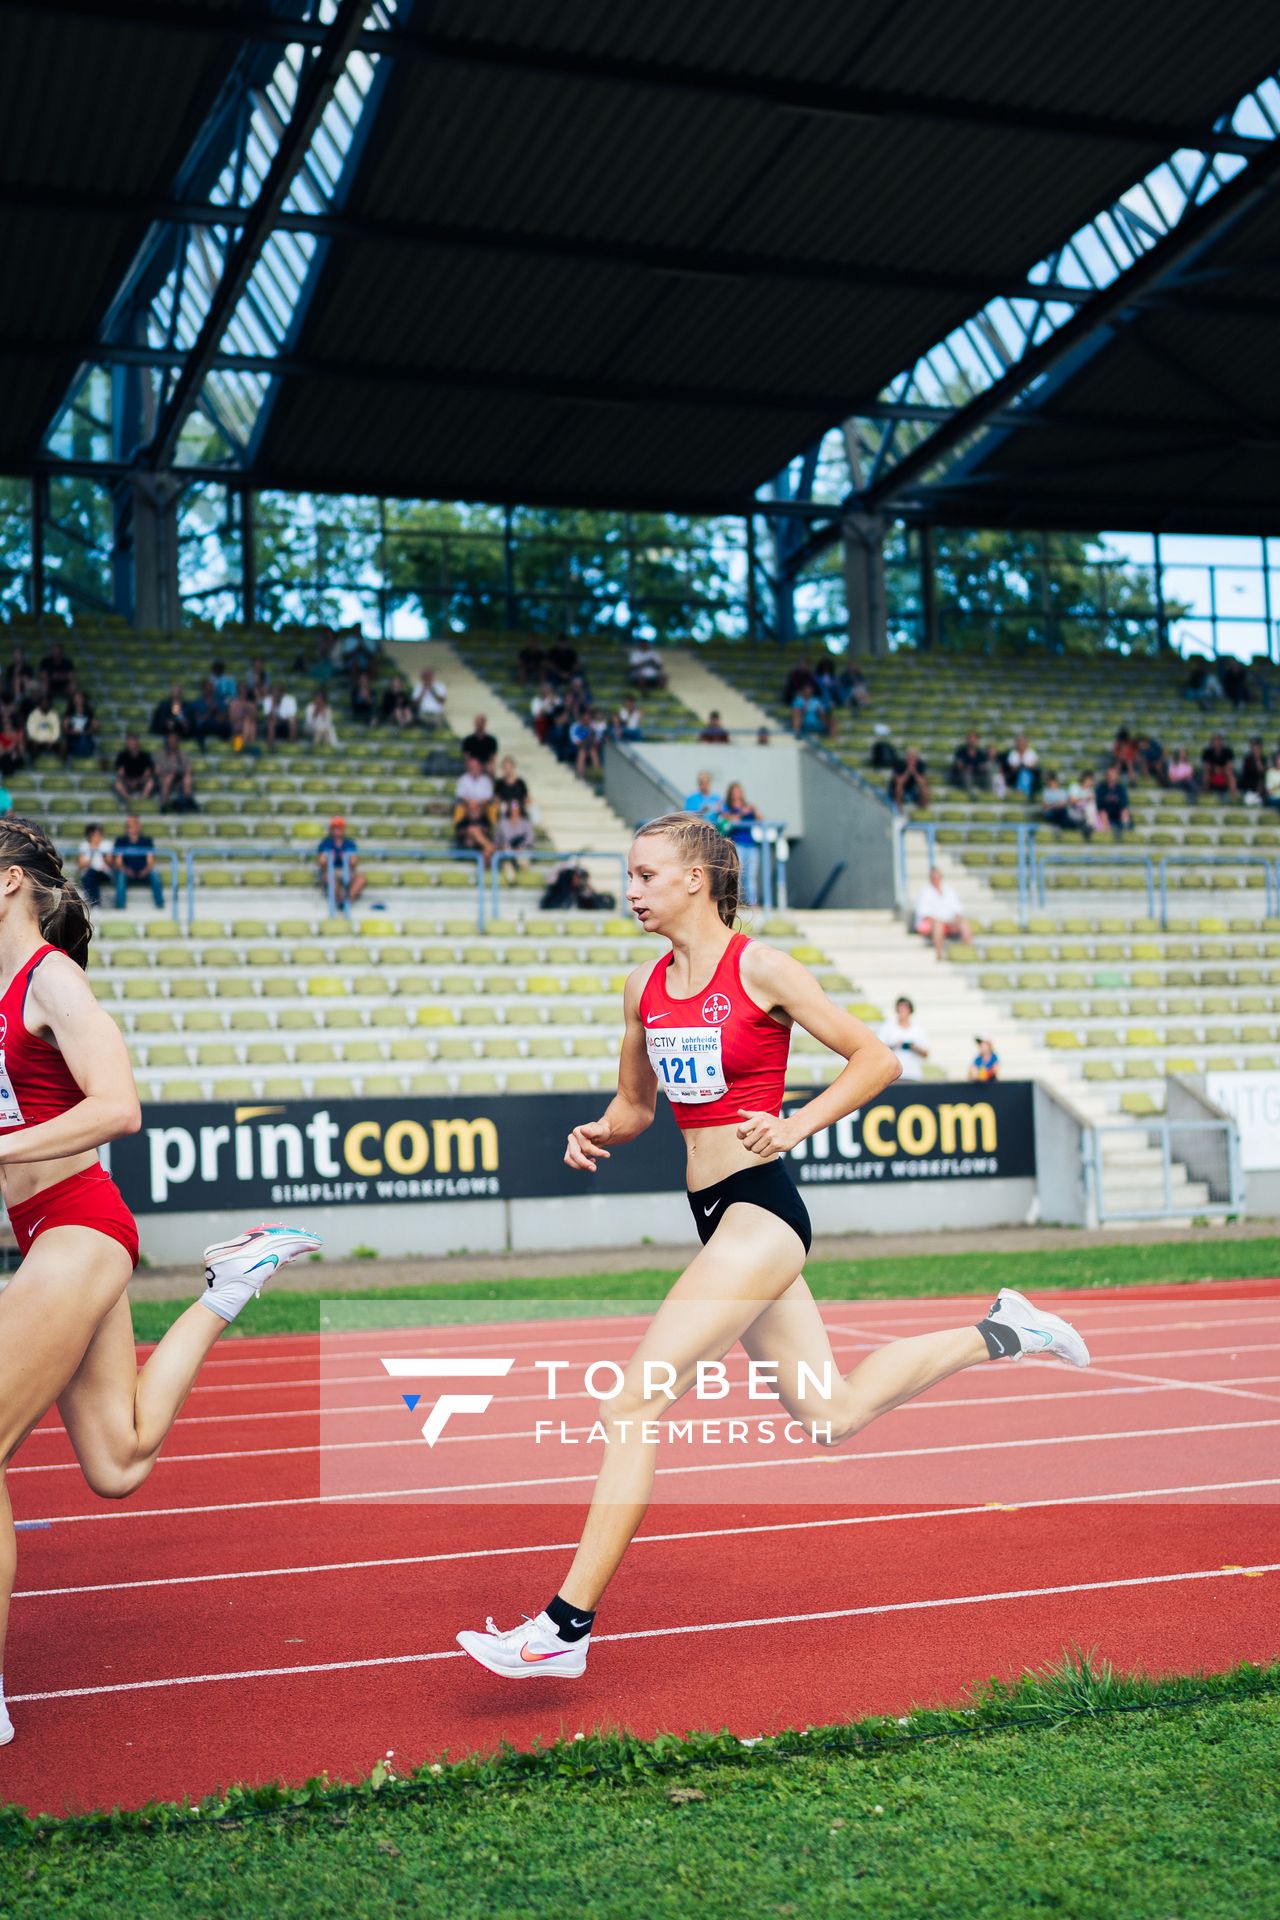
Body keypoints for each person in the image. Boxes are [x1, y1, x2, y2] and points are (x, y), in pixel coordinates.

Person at [455, 814, 1090, 1680]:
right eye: (628, 876)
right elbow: (637, 1108)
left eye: (645, 875)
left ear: (697, 878)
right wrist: (597, 1131)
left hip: (763, 1214)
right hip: (715, 1212)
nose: (630, 890)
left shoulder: (761, 966)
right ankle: (1003, 1331)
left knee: (630, 1408)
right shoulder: (645, 988)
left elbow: (876, 1059)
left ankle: (562, 1630)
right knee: (831, 1417)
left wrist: (795, 1124)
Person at [0, 814, 322, 1748]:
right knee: (118, 1460)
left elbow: (119, 1107)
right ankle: (232, 1282)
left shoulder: (49, 978)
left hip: (81, 1229)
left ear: (11, 881)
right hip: (44, 1234)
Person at [913, 866, 971, 960]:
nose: (936, 880)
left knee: (964, 925)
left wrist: (956, 920)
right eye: (934, 878)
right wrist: (941, 921)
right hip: (931, 924)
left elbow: (957, 910)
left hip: (948, 922)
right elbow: (925, 915)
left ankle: (969, 953)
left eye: (938, 877)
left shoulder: (949, 890)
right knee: (938, 925)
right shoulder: (924, 892)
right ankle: (939, 955)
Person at [112, 815, 164, 910]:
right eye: (129, 825)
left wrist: (145, 871)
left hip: (144, 872)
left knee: (155, 874)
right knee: (121, 875)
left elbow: (150, 862)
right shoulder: (120, 841)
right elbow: (118, 863)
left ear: (139, 826)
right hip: (127, 872)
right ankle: (120, 906)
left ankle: (160, 905)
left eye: (134, 824)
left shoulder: (147, 841)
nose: (132, 827)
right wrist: (127, 870)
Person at [315, 816, 365, 906]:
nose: (337, 831)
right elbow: (322, 862)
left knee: (361, 879)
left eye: (339, 828)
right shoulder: (326, 843)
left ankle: (347, 901)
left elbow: (354, 862)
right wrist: (329, 859)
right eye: (335, 828)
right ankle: (340, 900)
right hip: (331, 870)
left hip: (346, 869)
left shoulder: (349, 843)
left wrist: (347, 860)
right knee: (329, 877)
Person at [879, 995, 929, 1081]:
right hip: (893, 1075)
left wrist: (913, 1047)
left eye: (905, 1008)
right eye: (900, 1008)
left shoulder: (918, 1029)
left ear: (910, 1010)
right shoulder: (888, 1027)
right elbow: (879, 1049)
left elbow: (926, 1053)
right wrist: (895, 1045)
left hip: (913, 1075)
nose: (902, 1011)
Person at [1040, 771, 1091, 838]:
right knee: (1065, 815)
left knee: (1068, 813)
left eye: (1054, 780)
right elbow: (1045, 806)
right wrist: (1055, 805)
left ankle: (1080, 827)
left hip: (1063, 812)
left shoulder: (1063, 791)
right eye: (1051, 781)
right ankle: (1081, 827)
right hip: (1053, 813)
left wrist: (1062, 804)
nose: (1052, 783)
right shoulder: (1046, 792)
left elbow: (1068, 803)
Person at [156, 731, 197, 812]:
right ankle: (164, 805)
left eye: (174, 740)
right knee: (169, 778)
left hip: (179, 778)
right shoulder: (160, 755)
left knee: (187, 777)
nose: (172, 742)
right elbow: (157, 771)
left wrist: (182, 773)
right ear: (167, 742)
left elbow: (189, 769)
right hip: (165, 779)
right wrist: (169, 774)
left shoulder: (183, 754)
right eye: (171, 740)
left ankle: (188, 802)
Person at [76, 822, 113, 909]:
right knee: (90, 875)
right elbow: (81, 865)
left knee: (89, 876)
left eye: (99, 834)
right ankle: (95, 904)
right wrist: (92, 851)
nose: (98, 837)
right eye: (95, 835)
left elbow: (111, 862)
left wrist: (102, 853)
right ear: (89, 835)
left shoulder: (107, 845)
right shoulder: (84, 846)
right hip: (89, 874)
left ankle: (95, 904)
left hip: (104, 873)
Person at [113, 733, 155, 806]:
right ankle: (129, 800)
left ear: (137, 743)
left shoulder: (145, 756)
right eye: (129, 743)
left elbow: (147, 773)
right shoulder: (122, 756)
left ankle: (142, 800)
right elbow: (120, 773)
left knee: (150, 782)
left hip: (140, 781)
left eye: (132, 742)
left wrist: (138, 781)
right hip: (127, 781)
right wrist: (128, 781)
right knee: (117, 783)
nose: (130, 744)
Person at [454, 798, 496, 867]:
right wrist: (468, 831)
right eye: (471, 808)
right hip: (467, 845)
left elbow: (488, 831)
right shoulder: (464, 820)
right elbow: (459, 833)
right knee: (473, 830)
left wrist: (480, 830)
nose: (473, 810)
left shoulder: (484, 819)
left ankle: (486, 872)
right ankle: (490, 846)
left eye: (476, 808)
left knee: (486, 852)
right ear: (468, 809)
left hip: (480, 847)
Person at [1096, 766, 1131, 838]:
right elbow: (1098, 803)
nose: (1111, 777)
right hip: (1105, 811)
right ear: (1106, 776)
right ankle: (1108, 835)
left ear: (1116, 776)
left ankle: (1125, 834)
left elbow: (1124, 803)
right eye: (1109, 775)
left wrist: (1115, 800)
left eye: (1113, 775)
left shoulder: (1121, 788)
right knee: (1103, 814)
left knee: (1125, 812)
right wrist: (1107, 800)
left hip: (1118, 811)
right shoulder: (1100, 788)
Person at [24, 696, 61, 763]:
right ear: (39, 704)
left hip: (51, 740)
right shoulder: (33, 715)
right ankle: (33, 764)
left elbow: (57, 730)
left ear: (49, 704)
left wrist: (51, 740)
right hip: (37, 740)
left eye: (46, 704)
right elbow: (31, 731)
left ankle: (59, 763)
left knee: (62, 744)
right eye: (43, 704)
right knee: (32, 744)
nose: (45, 705)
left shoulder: (54, 715)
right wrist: (39, 740)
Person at [1200, 733, 1237, 800]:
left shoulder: (1228, 751)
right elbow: (1206, 766)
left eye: (1218, 740)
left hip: (1224, 773)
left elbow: (1230, 766)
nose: (1216, 743)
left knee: (1230, 774)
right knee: (1206, 773)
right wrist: (1215, 769)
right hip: (1212, 773)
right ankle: (1205, 796)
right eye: (1214, 741)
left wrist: (1220, 770)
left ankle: (1233, 796)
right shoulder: (1207, 752)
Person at [62, 691, 96, 762]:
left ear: (83, 699)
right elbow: (65, 728)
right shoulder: (69, 712)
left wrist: (88, 731)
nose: (78, 700)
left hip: (85, 737)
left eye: (80, 698)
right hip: (73, 738)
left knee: (83, 739)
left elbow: (94, 726)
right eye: (76, 698)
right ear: (73, 700)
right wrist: (72, 732)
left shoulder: (88, 712)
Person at [1004, 733, 1040, 798]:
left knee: (1025, 773)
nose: (1021, 744)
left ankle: (1022, 792)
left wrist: (1023, 766)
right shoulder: (1013, 753)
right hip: (1015, 776)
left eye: (1023, 742)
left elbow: (1034, 766)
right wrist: (1023, 766)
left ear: (1026, 743)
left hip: (1030, 775)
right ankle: (1025, 793)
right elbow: (1012, 767)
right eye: (1019, 742)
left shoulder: (1031, 753)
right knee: (1023, 773)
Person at [226, 684, 258, 752]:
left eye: (244, 690)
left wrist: (248, 710)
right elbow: (231, 720)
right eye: (241, 691)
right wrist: (242, 717)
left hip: (250, 731)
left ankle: (248, 742)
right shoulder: (233, 703)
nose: (242, 692)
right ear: (238, 691)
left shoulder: (251, 704)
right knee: (246, 721)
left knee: (248, 721)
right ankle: (245, 744)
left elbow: (254, 718)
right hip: (237, 730)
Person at [0, 706, 24, 778]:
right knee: (6, 757)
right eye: (4, 723)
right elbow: (2, 752)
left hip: (15, 758)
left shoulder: (18, 733)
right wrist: (14, 742)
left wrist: (18, 745)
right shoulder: (1, 735)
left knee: (15, 757)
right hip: (4, 758)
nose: (6, 725)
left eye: (8, 723)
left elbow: (21, 749)